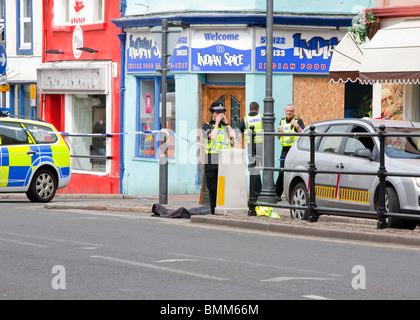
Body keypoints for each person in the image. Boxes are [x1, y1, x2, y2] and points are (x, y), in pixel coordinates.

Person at [202, 101, 236, 214]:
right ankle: (213, 211)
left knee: (224, 186)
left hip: (225, 158)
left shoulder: (225, 126)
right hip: (212, 159)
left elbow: (234, 136)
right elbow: (212, 136)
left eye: (222, 113)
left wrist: (226, 123)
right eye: (217, 112)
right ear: (212, 113)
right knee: (213, 188)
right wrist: (216, 123)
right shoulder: (207, 125)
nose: (220, 115)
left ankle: (222, 209)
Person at [275, 104, 305, 200]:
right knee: (281, 171)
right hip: (284, 149)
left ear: (293, 112)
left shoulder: (298, 120)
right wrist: (278, 133)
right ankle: (277, 194)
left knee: (293, 172)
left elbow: (303, 133)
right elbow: (279, 137)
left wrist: (296, 126)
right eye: (287, 110)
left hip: (294, 150)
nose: (289, 112)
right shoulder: (282, 121)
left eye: (291, 111)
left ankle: (292, 193)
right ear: (285, 111)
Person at [240, 101, 263, 198]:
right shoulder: (261, 117)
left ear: (249, 109)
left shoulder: (245, 119)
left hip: (250, 146)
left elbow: (240, 131)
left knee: (254, 169)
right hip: (262, 144)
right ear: (257, 109)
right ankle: (268, 190)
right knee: (266, 167)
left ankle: (256, 192)